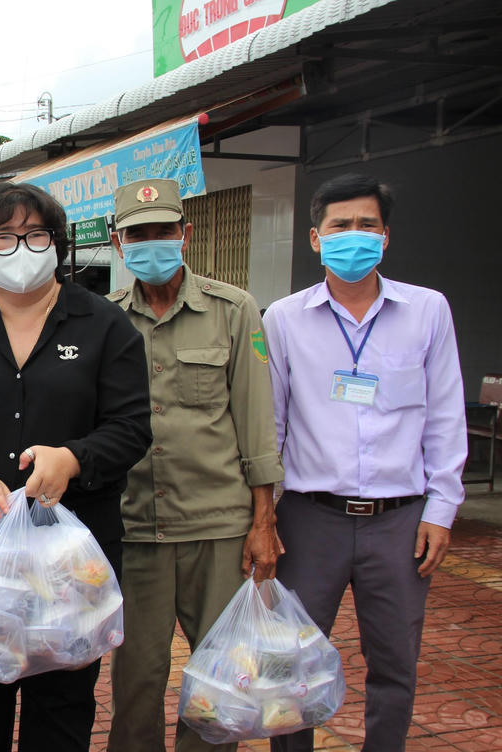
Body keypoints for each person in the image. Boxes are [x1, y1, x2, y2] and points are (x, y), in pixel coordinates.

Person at [0, 181, 153, 752]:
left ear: (57, 242)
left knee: (64, 703)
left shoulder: (105, 325)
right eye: (3, 237)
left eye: (35, 234)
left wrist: (74, 458)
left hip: (73, 558)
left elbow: (132, 428)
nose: (21, 248)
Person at [263, 174, 467, 752]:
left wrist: (442, 510)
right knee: (291, 662)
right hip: (309, 518)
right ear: (315, 238)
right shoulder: (284, 319)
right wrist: (264, 516)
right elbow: (271, 423)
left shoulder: (427, 311)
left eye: (366, 225)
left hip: (400, 521)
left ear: (385, 236)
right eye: (340, 226)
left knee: (396, 662)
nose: (353, 236)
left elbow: (445, 414)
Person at [103, 178, 283, 752]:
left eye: (163, 231)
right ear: (117, 243)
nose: (151, 243)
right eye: (138, 235)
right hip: (136, 527)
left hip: (218, 526)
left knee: (220, 677)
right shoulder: (105, 320)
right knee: (137, 677)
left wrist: (264, 523)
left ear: (186, 233)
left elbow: (256, 422)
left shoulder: (234, 310)